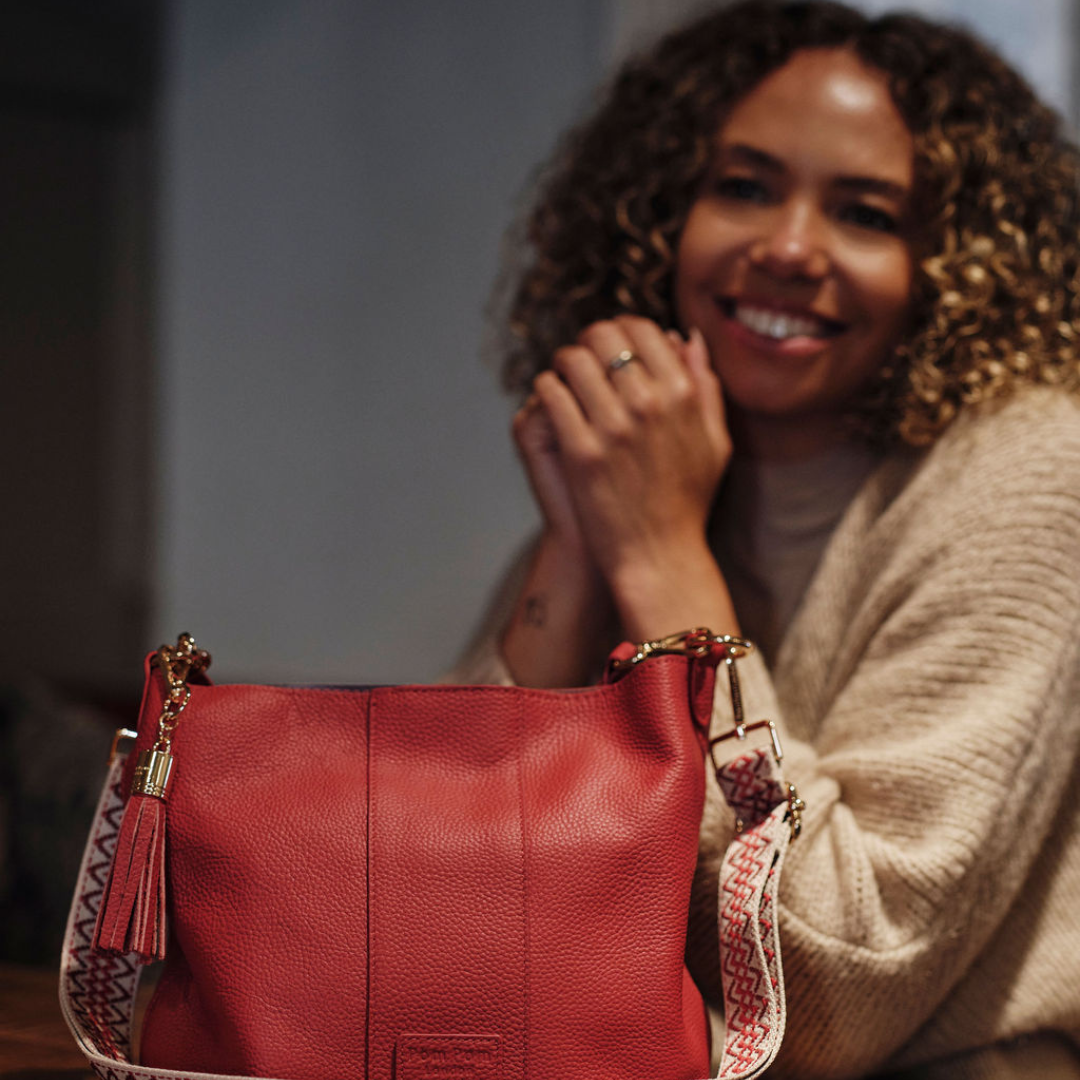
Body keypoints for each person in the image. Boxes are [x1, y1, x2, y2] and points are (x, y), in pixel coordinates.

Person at [449, 2, 1080, 1076]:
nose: (787, 248)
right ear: (656, 216)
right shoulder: (666, 471)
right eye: (741, 187)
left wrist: (657, 557)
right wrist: (579, 544)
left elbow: (829, 990)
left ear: (958, 268)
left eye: (867, 213)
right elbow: (450, 889)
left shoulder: (1033, 469)